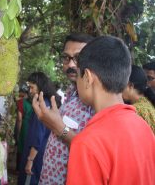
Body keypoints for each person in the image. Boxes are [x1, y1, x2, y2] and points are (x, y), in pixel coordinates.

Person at [34, 36, 155, 184]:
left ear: (88, 77)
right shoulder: (144, 128)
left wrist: (60, 129)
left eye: (78, 75)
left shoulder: (87, 143)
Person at [34, 33, 95, 184]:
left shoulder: (96, 101)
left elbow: (92, 153)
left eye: (78, 58)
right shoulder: (71, 93)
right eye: (67, 58)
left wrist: (59, 127)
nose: (71, 65)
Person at [18, 72, 61, 185]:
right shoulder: (44, 103)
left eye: (32, 87)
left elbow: (38, 135)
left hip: (34, 155)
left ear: (40, 87)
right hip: (39, 153)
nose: (30, 90)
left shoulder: (42, 106)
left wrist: (30, 160)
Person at [122, 65, 155, 132]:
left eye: (121, 85)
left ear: (130, 85)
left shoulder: (135, 110)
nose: (118, 89)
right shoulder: (147, 104)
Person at [15, 84, 32, 172]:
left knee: (21, 146)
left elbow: (19, 119)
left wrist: (18, 133)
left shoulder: (21, 102)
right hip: (32, 125)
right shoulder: (33, 102)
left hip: (24, 126)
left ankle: (19, 168)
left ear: (22, 92)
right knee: (28, 146)